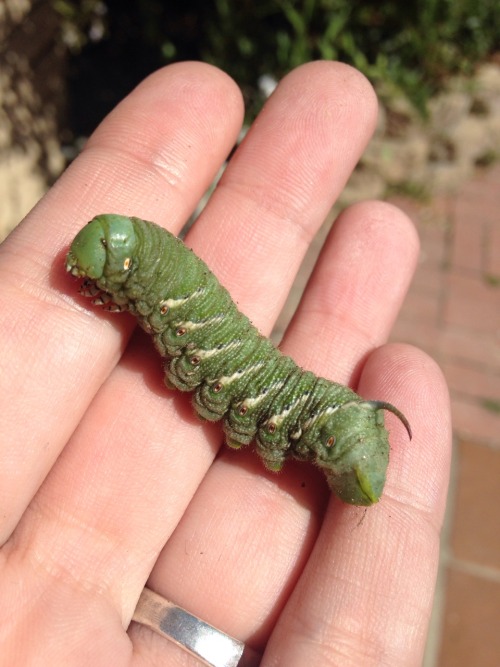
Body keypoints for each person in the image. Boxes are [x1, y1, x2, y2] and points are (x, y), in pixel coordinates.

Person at [0, 61, 451, 666]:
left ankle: (345, 438)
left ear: (131, 276)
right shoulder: (160, 290)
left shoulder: (157, 286)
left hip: (321, 421)